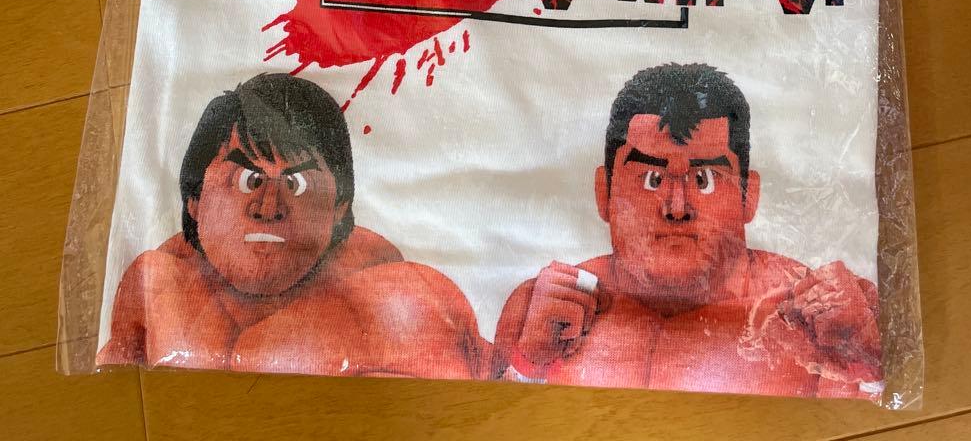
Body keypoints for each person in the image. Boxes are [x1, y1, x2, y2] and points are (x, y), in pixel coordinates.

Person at [493, 63, 882, 397]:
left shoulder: (819, 315)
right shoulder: (540, 308)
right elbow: (491, 421)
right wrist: (527, 365)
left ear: (749, 198)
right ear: (604, 193)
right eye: (651, 179)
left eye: (704, 179)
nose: (677, 208)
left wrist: (867, 360)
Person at [99, 72, 488, 377]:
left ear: (339, 209)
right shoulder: (158, 280)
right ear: (195, 200)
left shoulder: (386, 283)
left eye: (297, 184)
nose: (269, 207)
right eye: (248, 180)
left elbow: (485, 376)